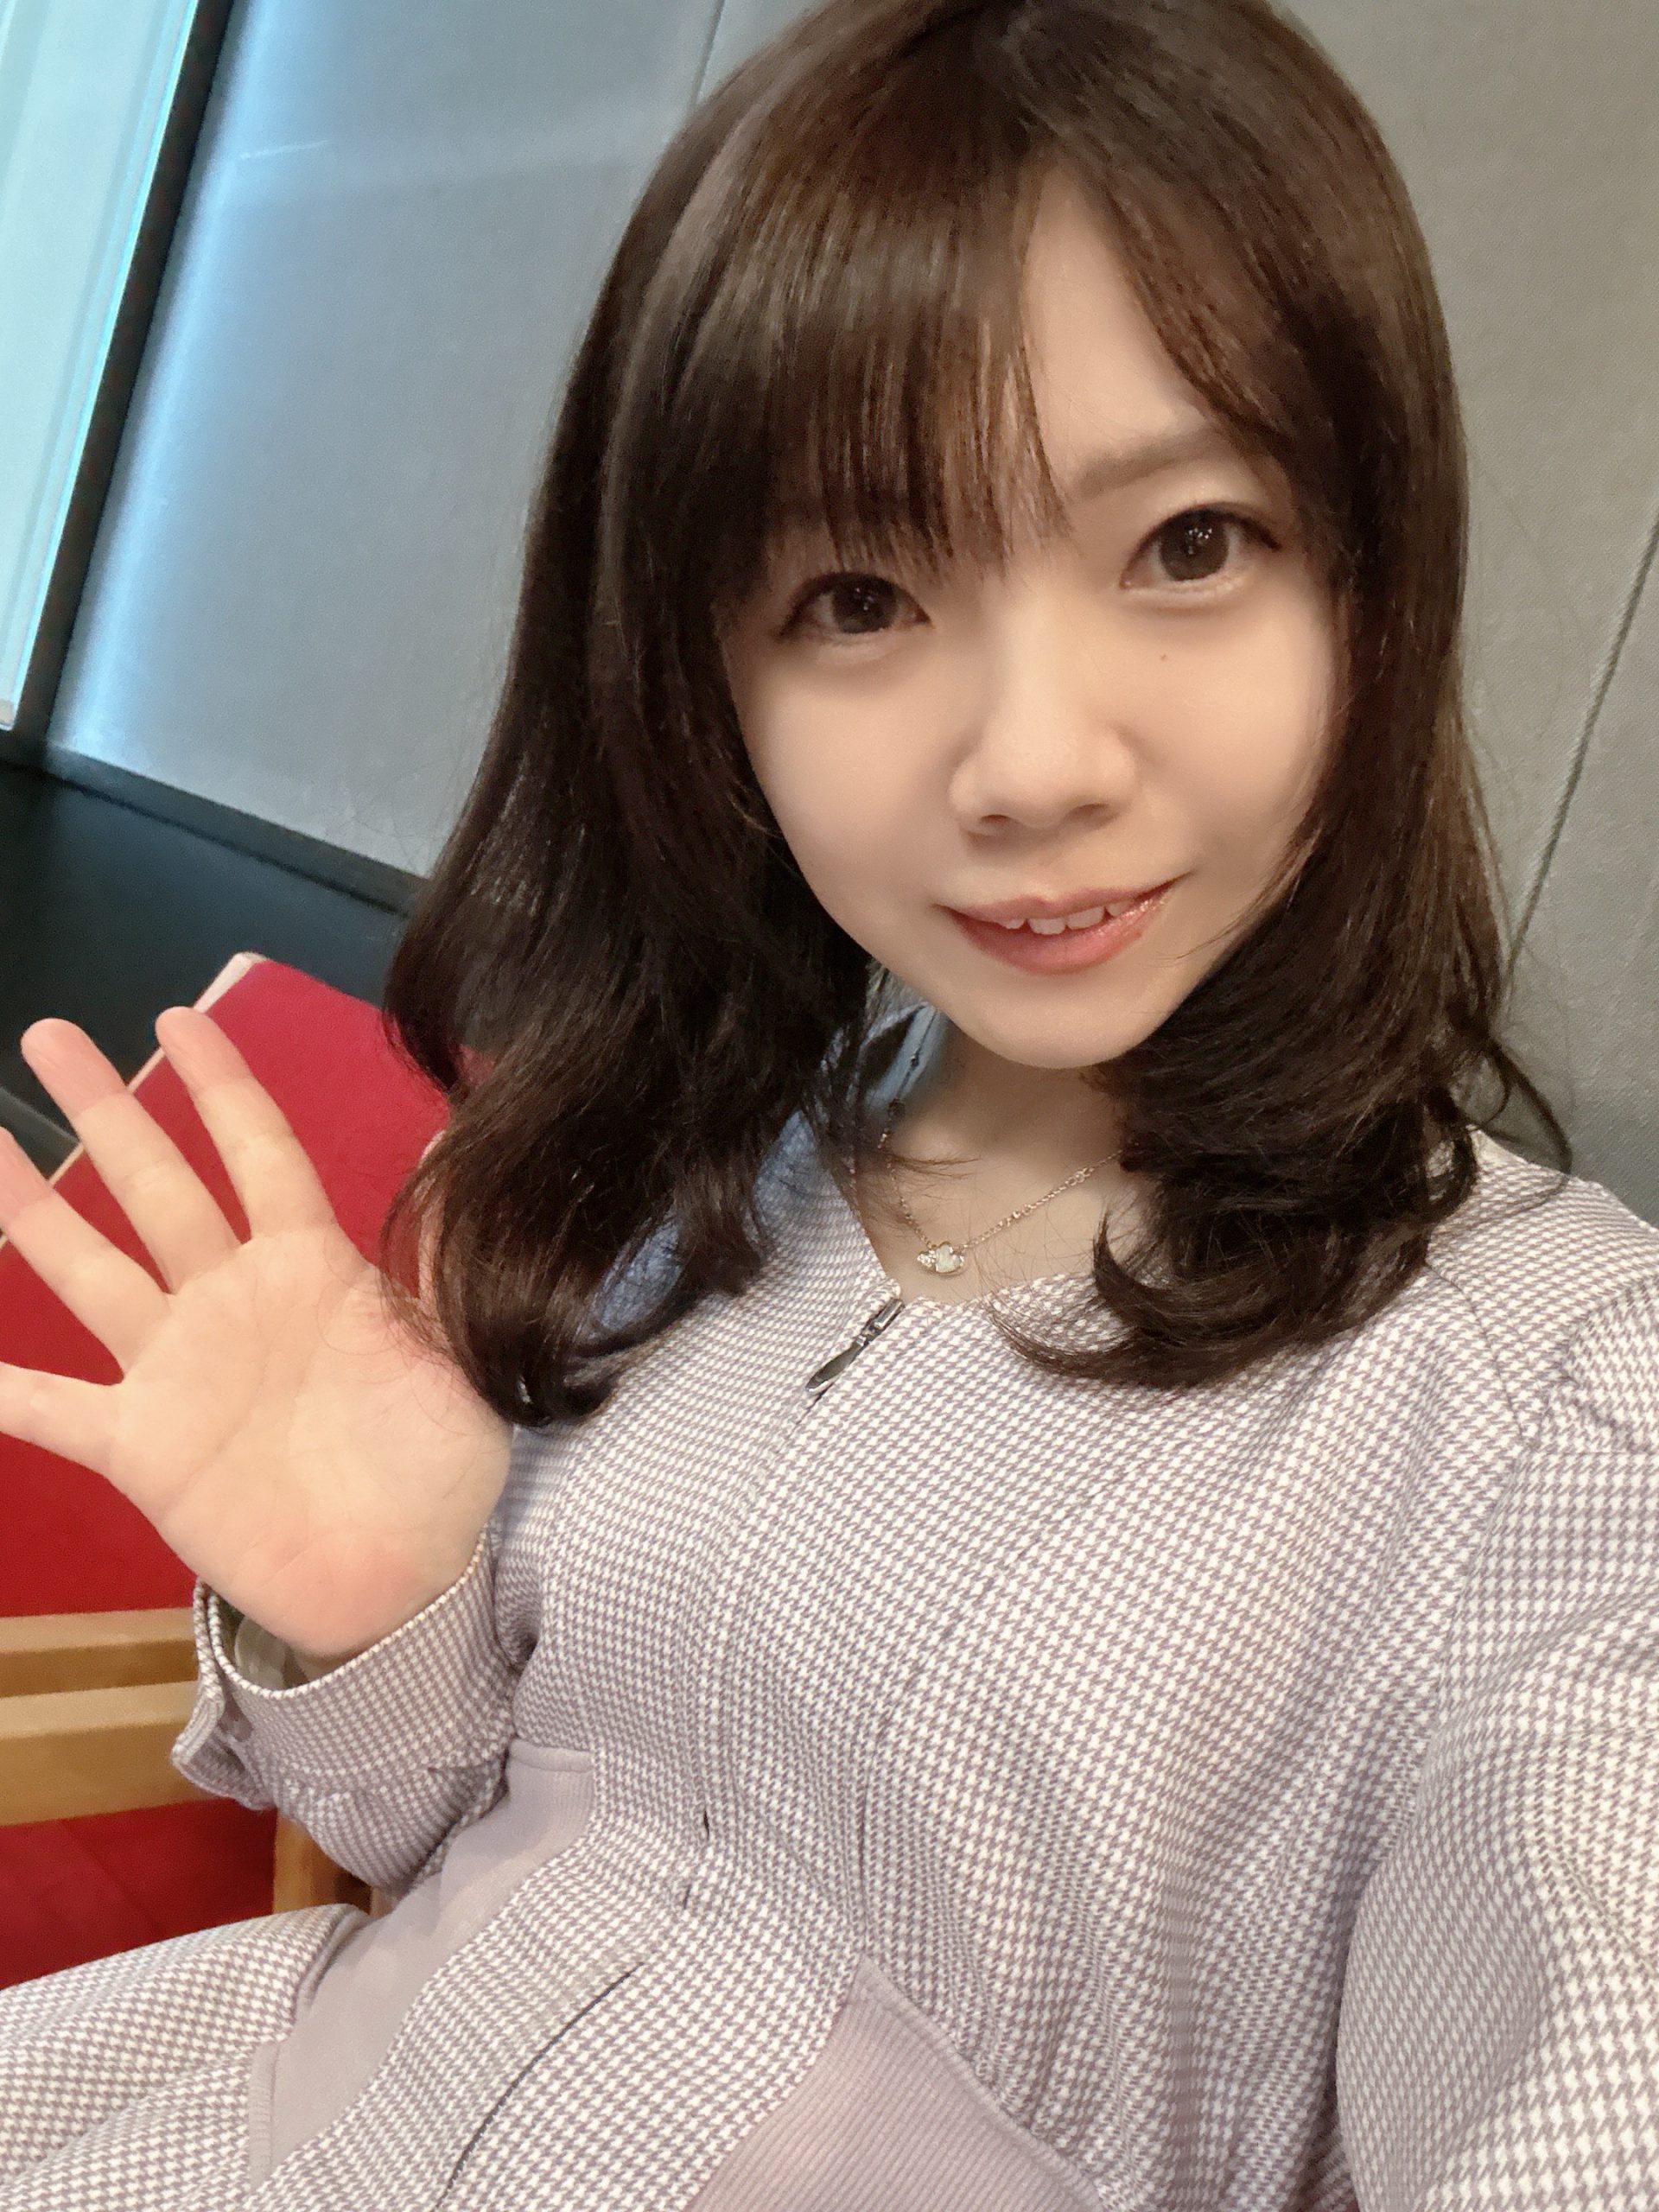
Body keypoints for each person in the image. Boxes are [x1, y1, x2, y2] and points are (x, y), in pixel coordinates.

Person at [0, 0, 1654, 2202]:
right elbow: (465, 1839)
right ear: (710, 684)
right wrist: (368, 1614)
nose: (1034, 761)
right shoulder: (713, 1169)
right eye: (861, 595)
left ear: (1374, 573)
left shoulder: (1551, 1412)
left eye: (1190, 544)